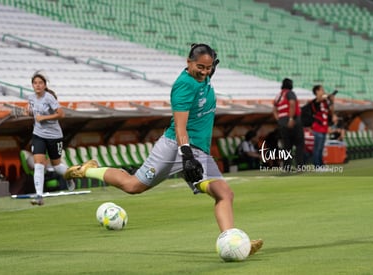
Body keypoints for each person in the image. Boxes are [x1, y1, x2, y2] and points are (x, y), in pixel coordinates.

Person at [64, 44, 263, 255]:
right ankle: (86, 170)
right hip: (175, 147)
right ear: (188, 62)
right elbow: (179, 127)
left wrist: (209, 66)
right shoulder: (184, 86)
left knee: (224, 193)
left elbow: (206, 70)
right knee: (133, 186)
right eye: (200, 67)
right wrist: (186, 156)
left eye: (209, 67)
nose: (204, 72)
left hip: (199, 151)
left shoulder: (204, 77)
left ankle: (233, 242)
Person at [28, 71, 74, 205]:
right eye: (35, 83)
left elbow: (61, 114)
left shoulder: (49, 98)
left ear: (44, 85)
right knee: (38, 164)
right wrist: (22, 112)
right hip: (38, 135)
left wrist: (44, 117)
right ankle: (39, 196)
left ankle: (69, 176)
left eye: (40, 83)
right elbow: (32, 111)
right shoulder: (31, 98)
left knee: (57, 165)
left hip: (54, 136)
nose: (37, 85)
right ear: (32, 85)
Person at [273, 78, 304, 171]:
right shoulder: (289, 93)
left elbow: (274, 109)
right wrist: (290, 118)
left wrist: (279, 120)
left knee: (287, 145)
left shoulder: (278, 95)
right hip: (293, 119)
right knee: (299, 144)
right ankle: (300, 166)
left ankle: (287, 166)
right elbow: (292, 104)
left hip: (282, 121)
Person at [311, 85, 335, 170]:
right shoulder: (315, 102)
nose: (323, 91)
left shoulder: (324, 102)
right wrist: (328, 96)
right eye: (322, 90)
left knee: (321, 148)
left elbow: (331, 111)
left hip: (324, 128)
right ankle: (317, 166)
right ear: (317, 91)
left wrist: (331, 102)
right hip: (317, 128)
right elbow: (319, 99)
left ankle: (321, 164)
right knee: (317, 148)